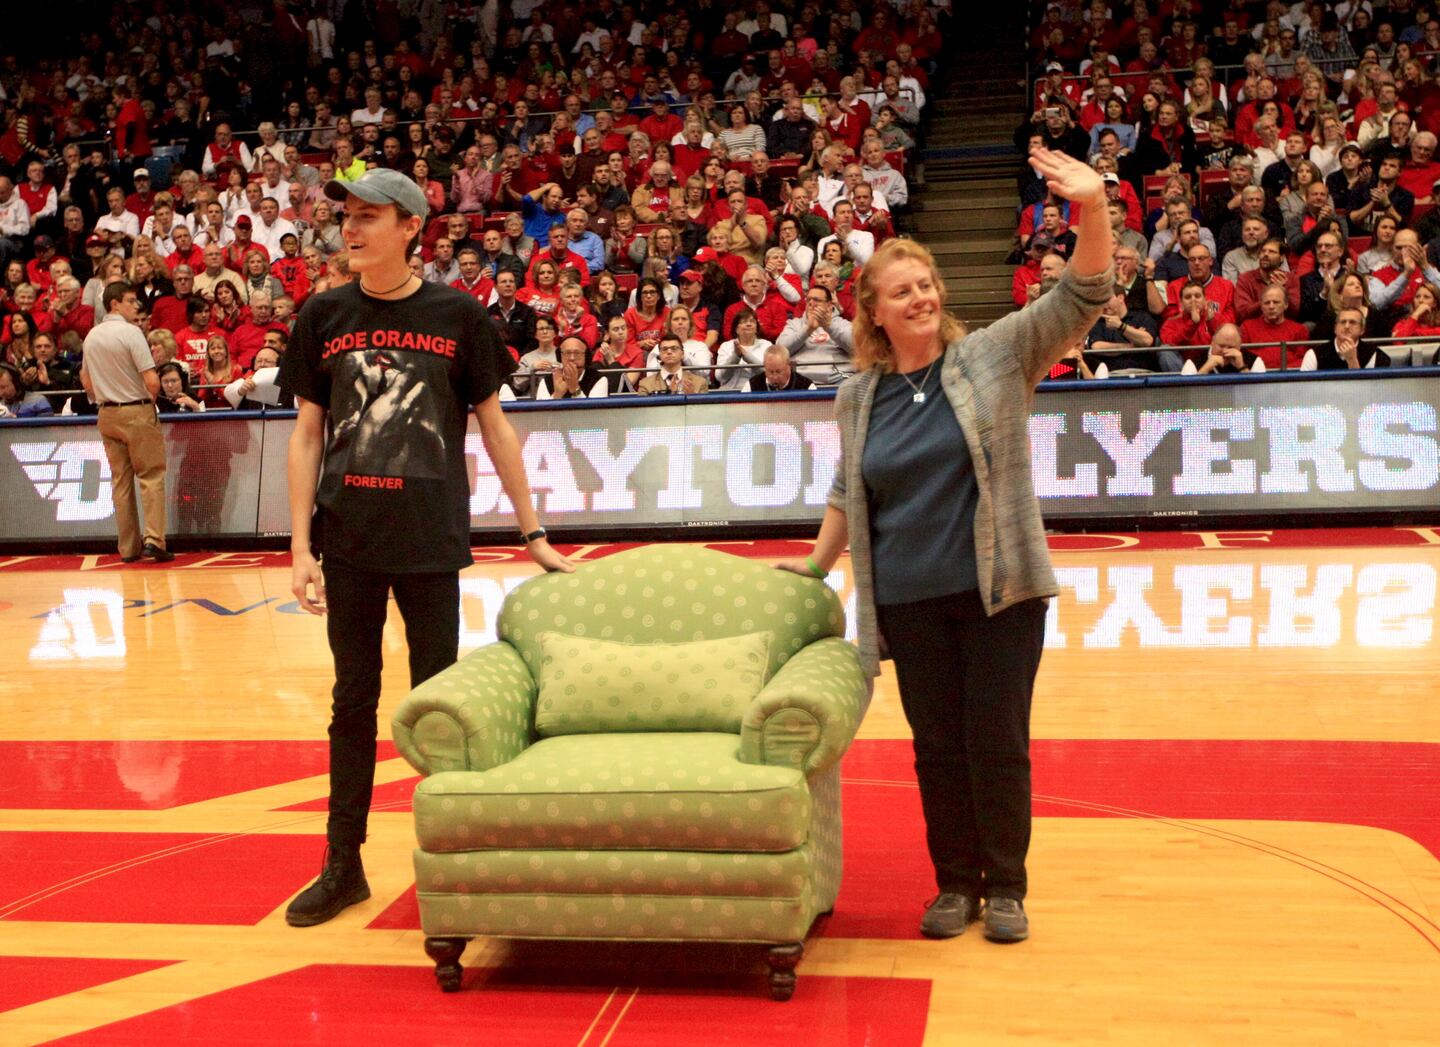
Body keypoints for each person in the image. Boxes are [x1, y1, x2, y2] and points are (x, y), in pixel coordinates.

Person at [774, 145, 1113, 945]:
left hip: (999, 593)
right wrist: (816, 564)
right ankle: (955, 883)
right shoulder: (858, 396)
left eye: (926, 283)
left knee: (996, 742)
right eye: (903, 290)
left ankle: (1006, 885)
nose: (921, 296)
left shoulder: (992, 356)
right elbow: (849, 487)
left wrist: (1093, 207)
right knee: (936, 749)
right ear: (875, 312)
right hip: (909, 601)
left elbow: (1083, 295)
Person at [278, 168, 574, 929]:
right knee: (352, 701)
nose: (350, 228)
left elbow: (497, 428)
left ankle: (451, 859)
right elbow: (307, 434)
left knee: (439, 704)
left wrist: (534, 533)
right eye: (346, 216)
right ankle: (342, 863)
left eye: (368, 216)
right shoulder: (323, 313)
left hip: (431, 539)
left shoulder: (458, 315)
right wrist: (300, 546)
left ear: (412, 227)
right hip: (348, 538)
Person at [78, 282, 173, 562]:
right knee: (151, 476)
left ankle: (128, 548)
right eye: (130, 300)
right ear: (115, 304)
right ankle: (154, 540)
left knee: (120, 481)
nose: (136, 305)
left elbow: (86, 380)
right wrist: (148, 403)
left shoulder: (92, 336)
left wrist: (102, 396)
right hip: (136, 409)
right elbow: (151, 379)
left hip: (106, 413)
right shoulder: (131, 333)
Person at [636, 333, 710, 394]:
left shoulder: (700, 383)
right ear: (659, 355)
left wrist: (692, 397)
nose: (669, 352)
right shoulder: (645, 384)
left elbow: (704, 408)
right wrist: (671, 395)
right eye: (664, 349)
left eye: (674, 348)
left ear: (682, 354)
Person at [748, 344, 814, 391]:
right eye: (770, 372)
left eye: (778, 372)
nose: (775, 377)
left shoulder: (807, 387)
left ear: (789, 365)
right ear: (764, 366)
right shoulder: (751, 386)